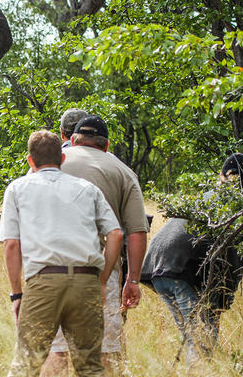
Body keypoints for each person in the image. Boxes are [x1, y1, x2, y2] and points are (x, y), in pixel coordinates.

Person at [0, 130, 123, 377]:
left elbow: (11, 245)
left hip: (44, 282)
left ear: (30, 160)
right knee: (90, 367)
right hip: (86, 281)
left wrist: (16, 294)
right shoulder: (88, 189)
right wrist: (101, 280)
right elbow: (116, 235)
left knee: (26, 364)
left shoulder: (17, 188)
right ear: (62, 159)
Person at [42, 115, 149, 376]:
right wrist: (133, 280)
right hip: (101, 274)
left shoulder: (50, 166)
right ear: (106, 145)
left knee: (57, 351)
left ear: (73, 140)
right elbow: (136, 232)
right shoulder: (123, 172)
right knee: (106, 352)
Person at [140, 153, 243, 364]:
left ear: (220, 174)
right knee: (202, 340)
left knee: (194, 335)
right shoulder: (237, 206)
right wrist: (221, 304)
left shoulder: (206, 195)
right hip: (178, 270)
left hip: (156, 266)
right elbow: (234, 263)